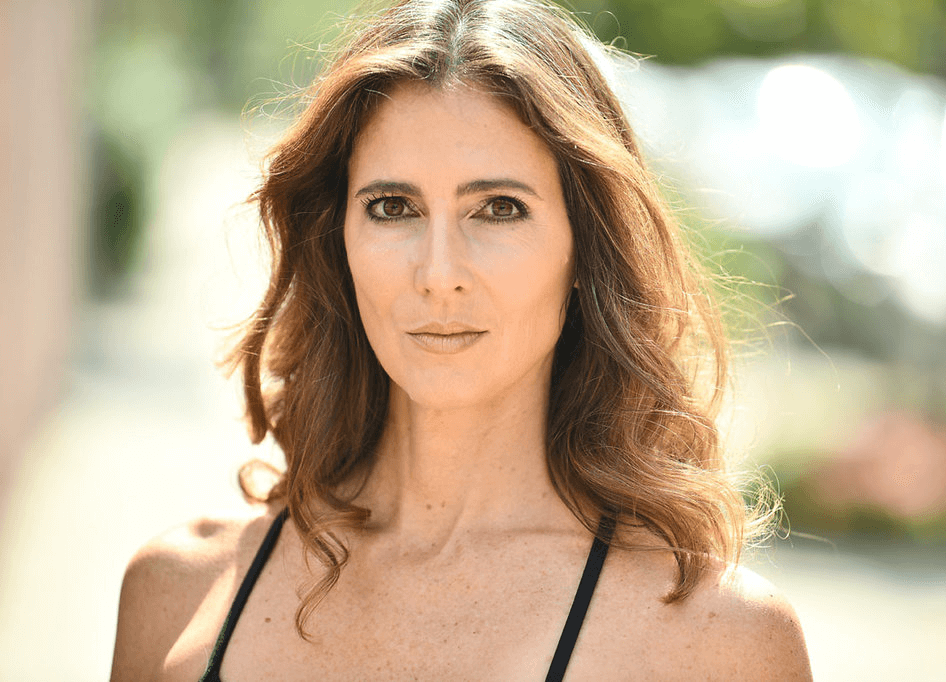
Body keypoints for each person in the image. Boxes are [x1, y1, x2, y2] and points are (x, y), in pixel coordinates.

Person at [110, 0, 813, 679]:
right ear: (339, 242)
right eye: (392, 208)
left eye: (498, 209)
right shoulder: (175, 595)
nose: (438, 274)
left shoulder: (719, 643)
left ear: (585, 252)